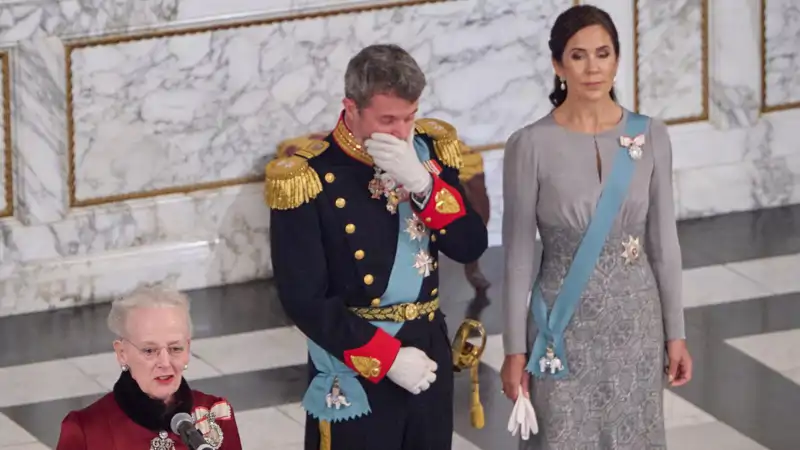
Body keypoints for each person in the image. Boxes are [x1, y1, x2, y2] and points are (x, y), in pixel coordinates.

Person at [266, 43, 488, 450]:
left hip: (427, 352)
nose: (402, 132)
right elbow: (303, 299)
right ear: (351, 109)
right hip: (355, 358)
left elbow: (470, 242)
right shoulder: (309, 176)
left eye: (409, 117)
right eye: (387, 119)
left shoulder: (429, 152)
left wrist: (424, 186)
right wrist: (385, 357)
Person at [499, 5, 693, 449]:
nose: (592, 68)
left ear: (617, 60)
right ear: (557, 65)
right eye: (578, 55)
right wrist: (514, 350)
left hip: (636, 324)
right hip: (560, 328)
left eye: (603, 54)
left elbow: (664, 244)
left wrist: (675, 333)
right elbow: (517, 258)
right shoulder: (529, 145)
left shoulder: (651, 135)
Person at [56, 287, 243, 450]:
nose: (164, 362)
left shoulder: (215, 413)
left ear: (187, 349)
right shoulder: (85, 431)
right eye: (149, 350)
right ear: (122, 353)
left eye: (175, 348)